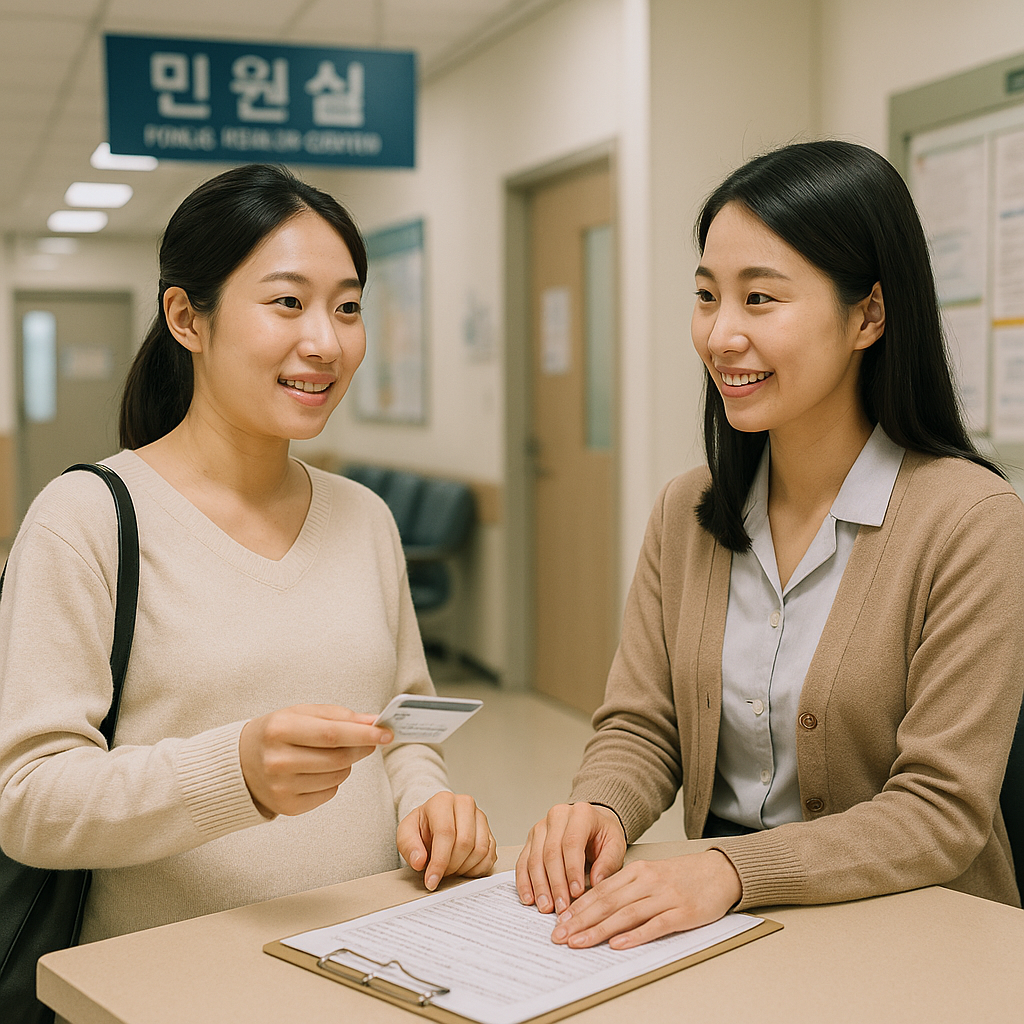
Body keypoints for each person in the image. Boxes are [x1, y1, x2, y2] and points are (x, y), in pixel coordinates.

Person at [516, 140, 1024, 950]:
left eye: (760, 299)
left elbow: (940, 813)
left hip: (918, 934)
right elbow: (644, 725)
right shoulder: (689, 510)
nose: (720, 335)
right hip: (729, 925)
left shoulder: (972, 520)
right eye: (707, 295)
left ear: (869, 314)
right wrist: (601, 808)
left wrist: (732, 869)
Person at [0, 164, 495, 944]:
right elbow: (28, 802)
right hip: (170, 986)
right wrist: (234, 772)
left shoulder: (365, 517)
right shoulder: (86, 519)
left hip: (367, 955)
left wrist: (427, 803)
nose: (325, 342)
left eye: (348, 308)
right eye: (288, 302)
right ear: (186, 318)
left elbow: (400, 731)